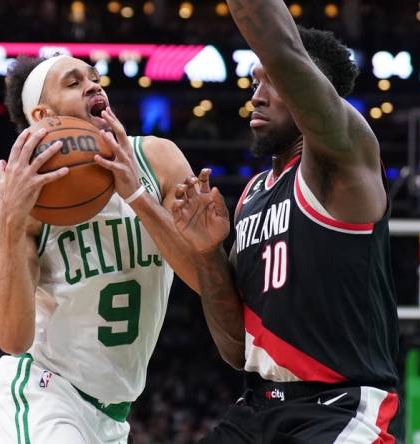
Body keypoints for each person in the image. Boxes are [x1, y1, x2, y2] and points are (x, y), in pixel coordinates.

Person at [172, 2, 401, 442]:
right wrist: (206, 253)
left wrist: (282, 59)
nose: (256, 94)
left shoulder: (342, 160)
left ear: (307, 90)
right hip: (257, 408)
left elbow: (282, 48)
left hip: (338, 409)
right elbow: (237, 351)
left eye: (272, 81)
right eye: (254, 81)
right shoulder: (253, 195)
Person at [0, 54, 213, 444]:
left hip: (113, 414)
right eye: (73, 83)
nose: (93, 85)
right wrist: (10, 223)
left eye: (93, 78)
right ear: (42, 114)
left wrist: (138, 195)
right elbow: (12, 339)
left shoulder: (158, 158)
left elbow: (209, 283)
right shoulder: (31, 198)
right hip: (44, 392)